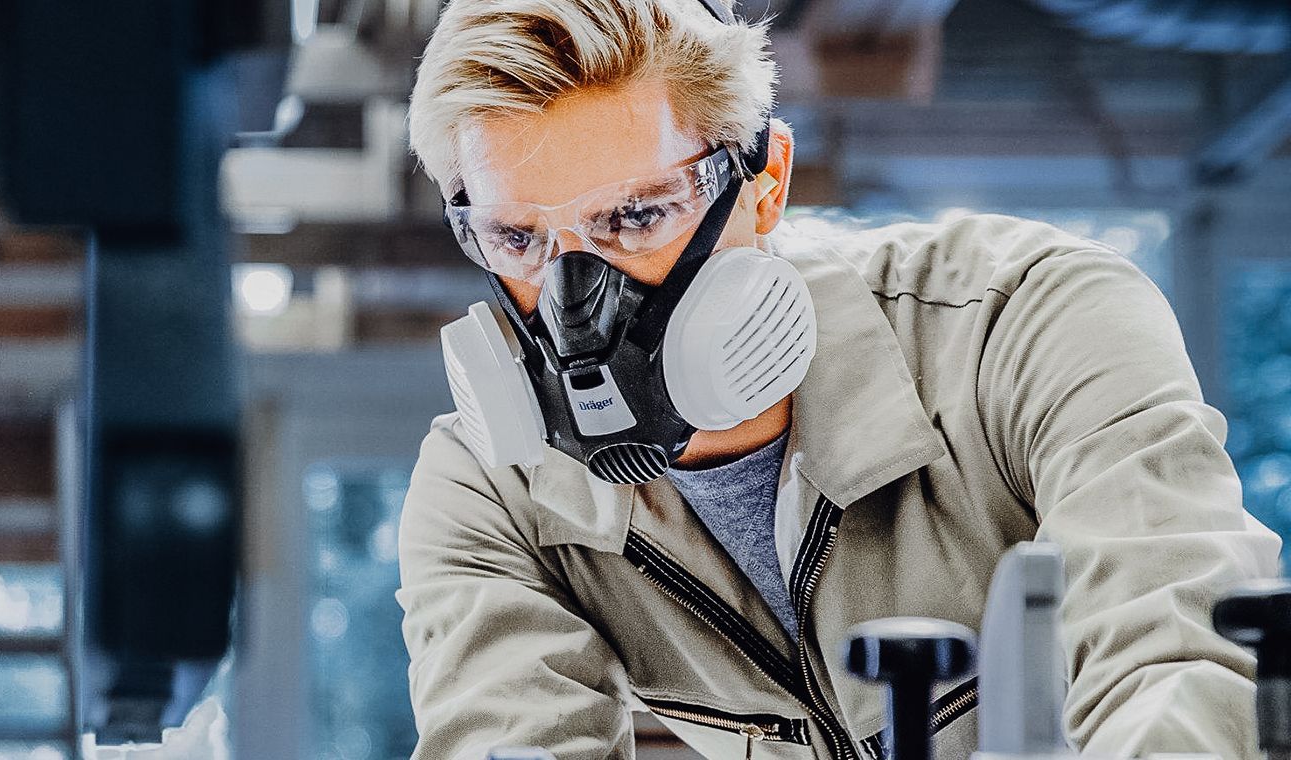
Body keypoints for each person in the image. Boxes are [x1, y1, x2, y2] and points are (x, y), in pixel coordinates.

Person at [394, 1, 1283, 758]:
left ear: (766, 181)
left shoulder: (1027, 320)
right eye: (518, 239)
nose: (576, 302)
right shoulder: (492, 489)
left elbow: (1178, 655)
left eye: (635, 215)